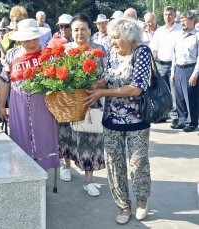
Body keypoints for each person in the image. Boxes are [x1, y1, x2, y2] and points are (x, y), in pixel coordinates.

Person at [84, 18, 152, 224]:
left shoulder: (142, 53)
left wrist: (104, 92)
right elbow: (108, 77)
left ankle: (141, 200)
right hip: (111, 119)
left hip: (136, 120)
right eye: (112, 37)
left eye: (116, 37)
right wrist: (96, 85)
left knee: (137, 163)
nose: (112, 41)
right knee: (114, 164)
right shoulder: (112, 52)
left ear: (129, 38)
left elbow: (136, 87)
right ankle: (123, 205)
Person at [0, 18, 59, 170]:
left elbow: (57, 82)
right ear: (20, 41)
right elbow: (5, 82)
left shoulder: (47, 54)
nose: (31, 43)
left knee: (42, 138)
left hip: (43, 104)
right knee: (20, 137)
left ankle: (42, 174)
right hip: (18, 103)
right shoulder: (12, 55)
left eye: (34, 39)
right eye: (26, 40)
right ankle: (23, 173)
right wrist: (1, 106)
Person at [58, 13, 106, 197]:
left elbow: (105, 77)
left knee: (90, 141)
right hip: (69, 103)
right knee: (67, 136)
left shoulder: (99, 50)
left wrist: (97, 85)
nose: (79, 33)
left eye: (83, 29)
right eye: (76, 29)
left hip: (90, 102)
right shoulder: (65, 50)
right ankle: (66, 165)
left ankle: (89, 181)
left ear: (90, 31)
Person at [149, 6, 181, 123]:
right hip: (160, 65)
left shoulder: (179, 29)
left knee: (174, 90)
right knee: (162, 91)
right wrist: (153, 63)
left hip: (174, 65)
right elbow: (154, 49)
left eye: (170, 15)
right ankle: (163, 114)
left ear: (174, 16)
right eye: (166, 15)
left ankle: (175, 116)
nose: (167, 17)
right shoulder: (159, 31)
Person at [170, 11, 199, 132]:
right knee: (179, 97)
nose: (182, 22)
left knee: (190, 97)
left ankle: (192, 122)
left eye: (185, 20)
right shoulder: (178, 35)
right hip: (178, 68)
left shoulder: (196, 36)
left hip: (190, 68)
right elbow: (174, 55)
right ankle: (182, 120)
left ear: (193, 21)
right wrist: (172, 72)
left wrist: (195, 74)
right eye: (181, 20)